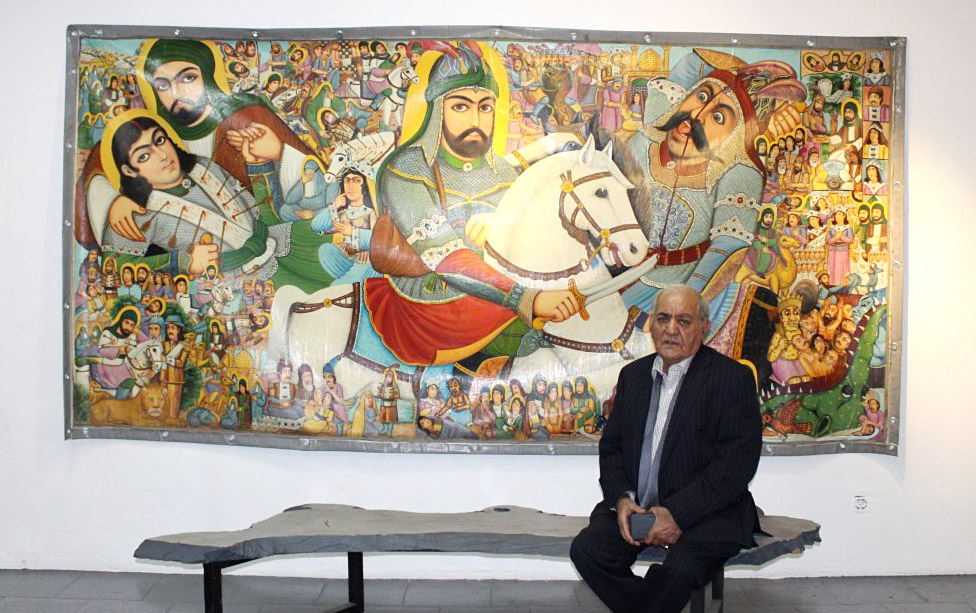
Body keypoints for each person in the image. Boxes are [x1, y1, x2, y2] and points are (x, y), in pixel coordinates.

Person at [364, 42, 582, 368]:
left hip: (501, 290)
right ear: (438, 110)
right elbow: (444, 258)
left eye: (485, 107)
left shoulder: (502, 172)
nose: (476, 119)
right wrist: (529, 299)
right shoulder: (407, 169)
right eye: (461, 107)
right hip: (431, 302)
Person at [571, 285, 761, 613]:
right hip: (639, 511)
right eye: (663, 319)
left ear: (704, 328)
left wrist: (676, 514)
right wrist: (622, 500)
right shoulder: (633, 376)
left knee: (678, 573)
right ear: (651, 325)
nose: (671, 329)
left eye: (683, 321)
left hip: (704, 514)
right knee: (587, 551)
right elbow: (611, 449)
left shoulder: (732, 379)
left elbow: (735, 465)